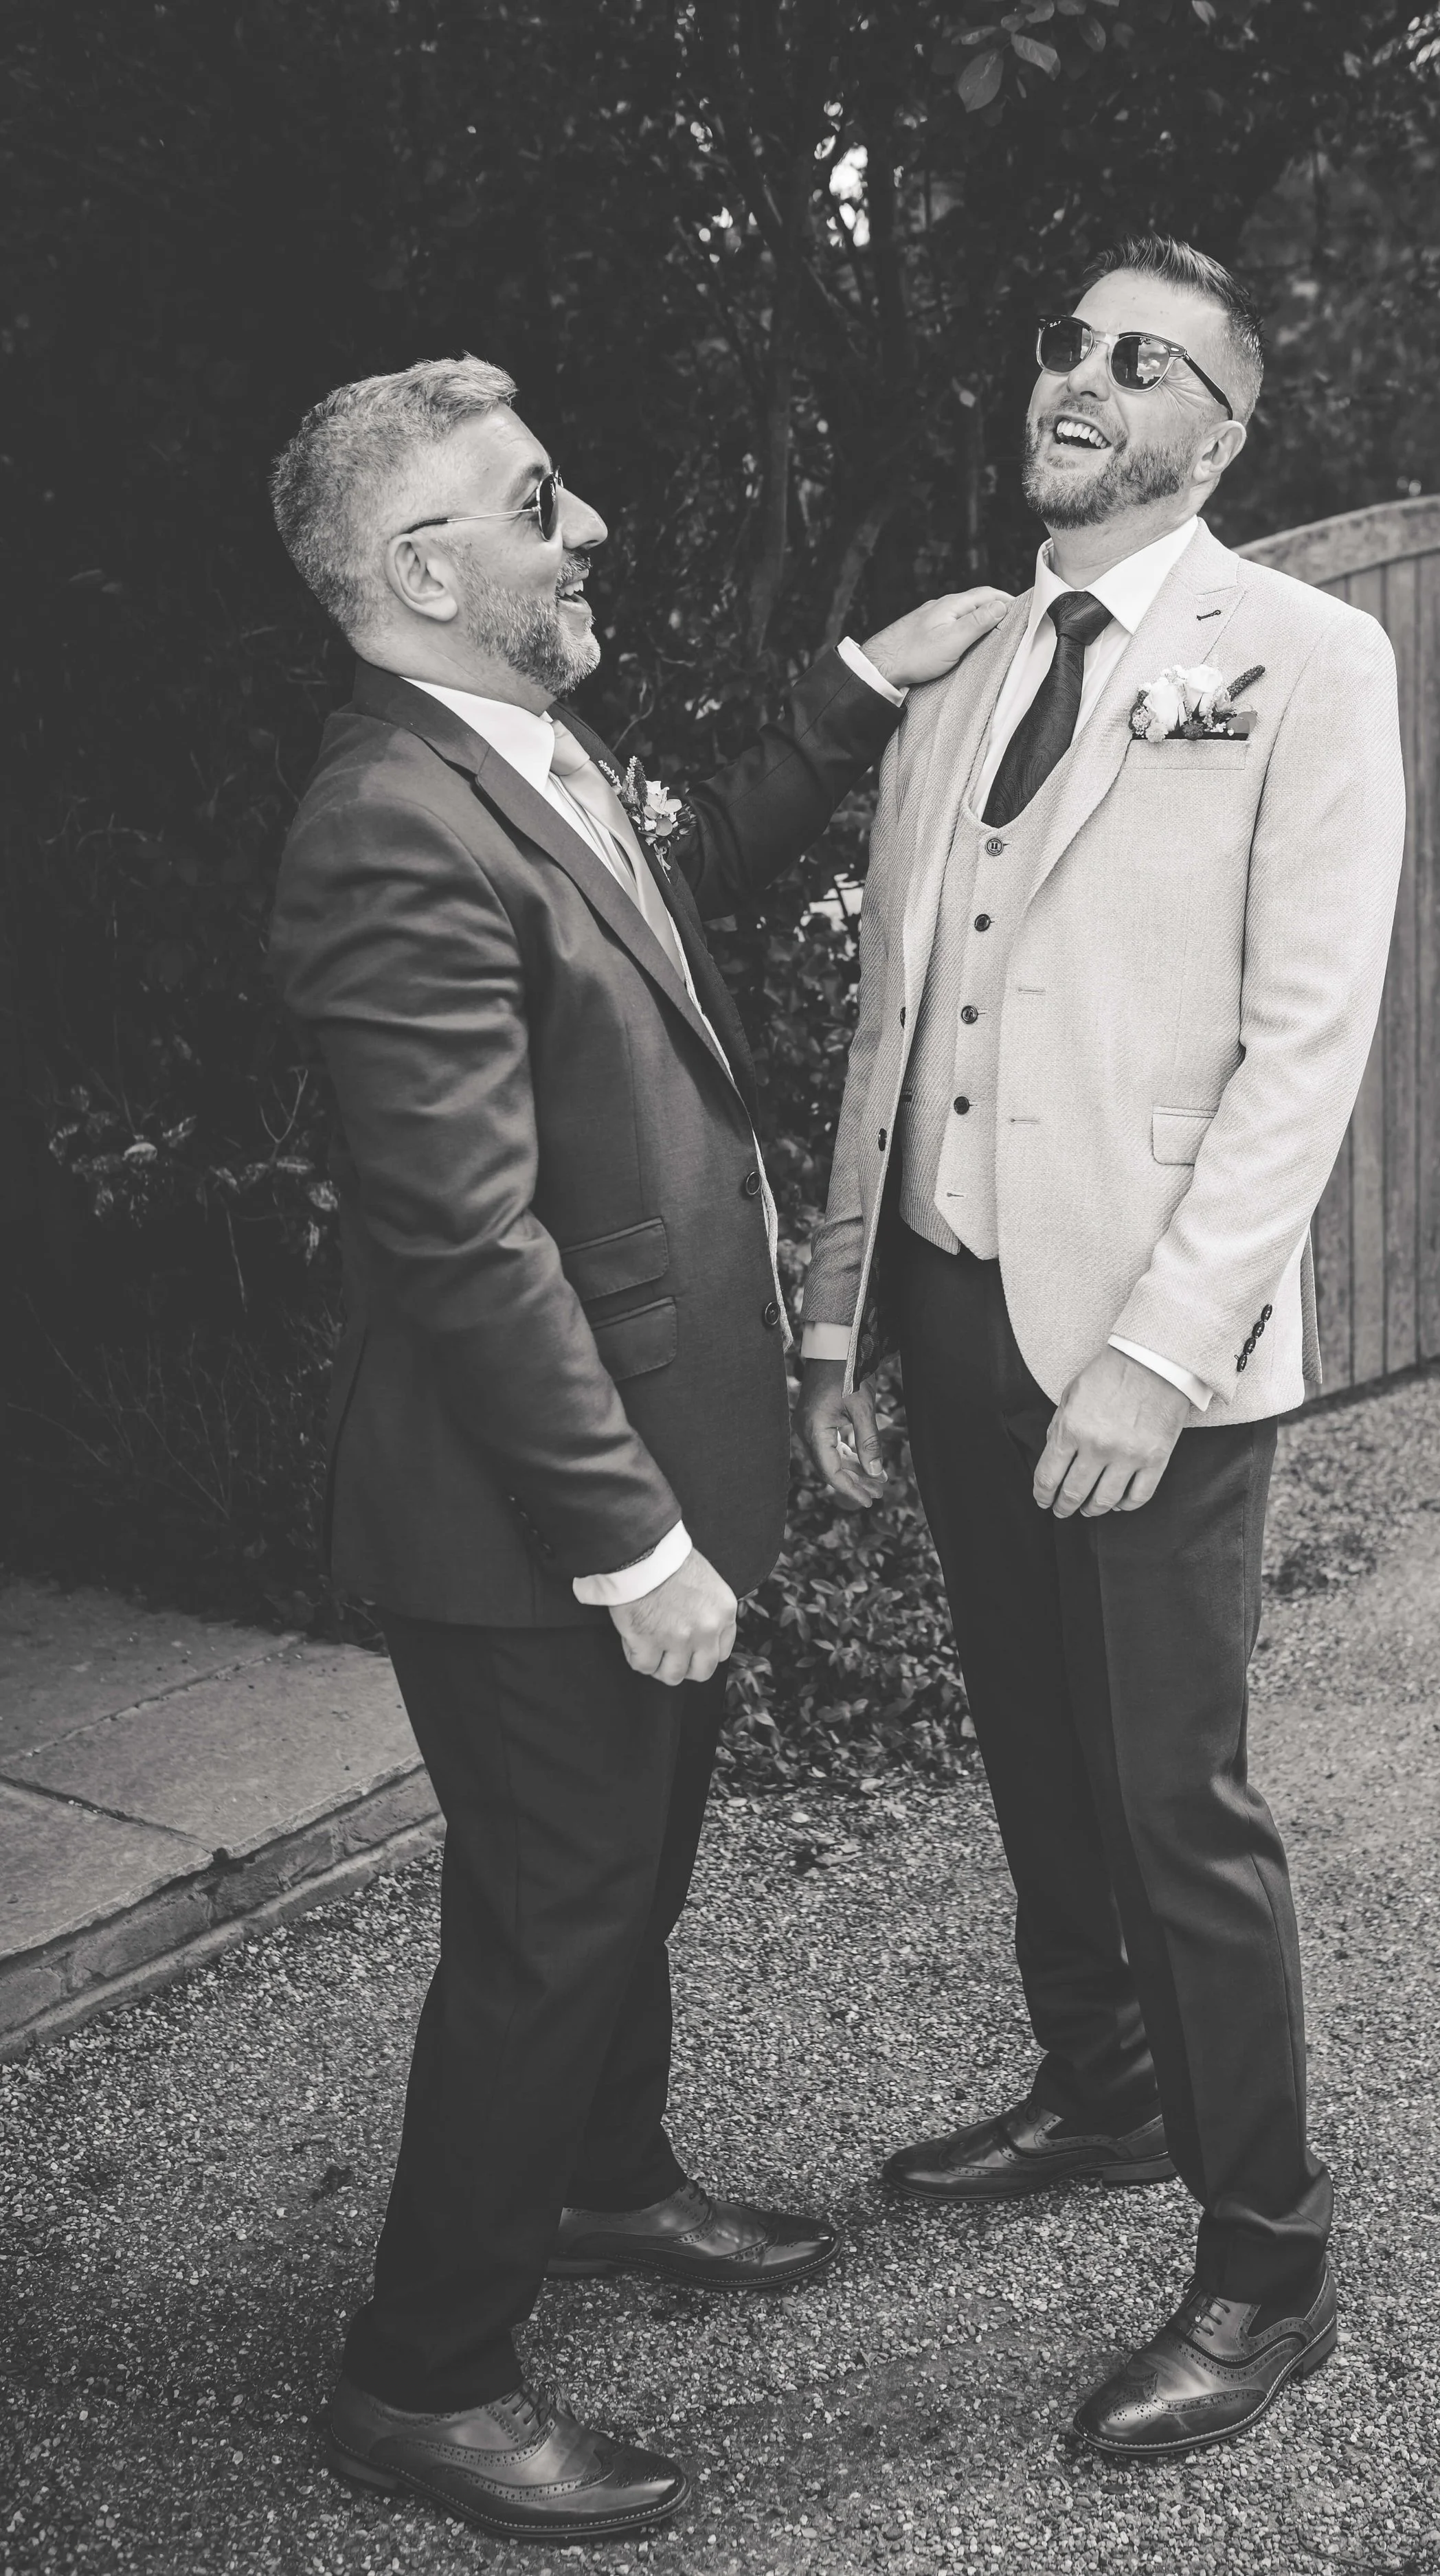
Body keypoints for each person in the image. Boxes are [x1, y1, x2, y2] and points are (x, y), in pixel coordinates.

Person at [268, 354, 1007, 2544]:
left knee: (624, 1881)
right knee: (554, 1918)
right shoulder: (384, 824)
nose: (579, 528)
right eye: (535, 500)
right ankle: (425, 2372)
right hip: (530, 1520)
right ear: (424, 568)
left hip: (656, 1469)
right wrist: (629, 1540)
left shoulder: (526, 752)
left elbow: (685, 877)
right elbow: (468, 1242)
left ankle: (606, 2181)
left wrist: (867, 679)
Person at [798, 236, 1405, 2461]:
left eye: (1139, 356)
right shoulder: (968, 659)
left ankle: (1267, 2255)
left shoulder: (1308, 659)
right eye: (1063, 338)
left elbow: (1301, 1043)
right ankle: (1097, 2088)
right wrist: (842, 1309)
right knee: (1035, 1750)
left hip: (1152, 1336)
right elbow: (897, 1006)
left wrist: (1156, 1356)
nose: (1079, 372)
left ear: (1218, 430)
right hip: (955, 1297)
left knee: (1174, 1803)